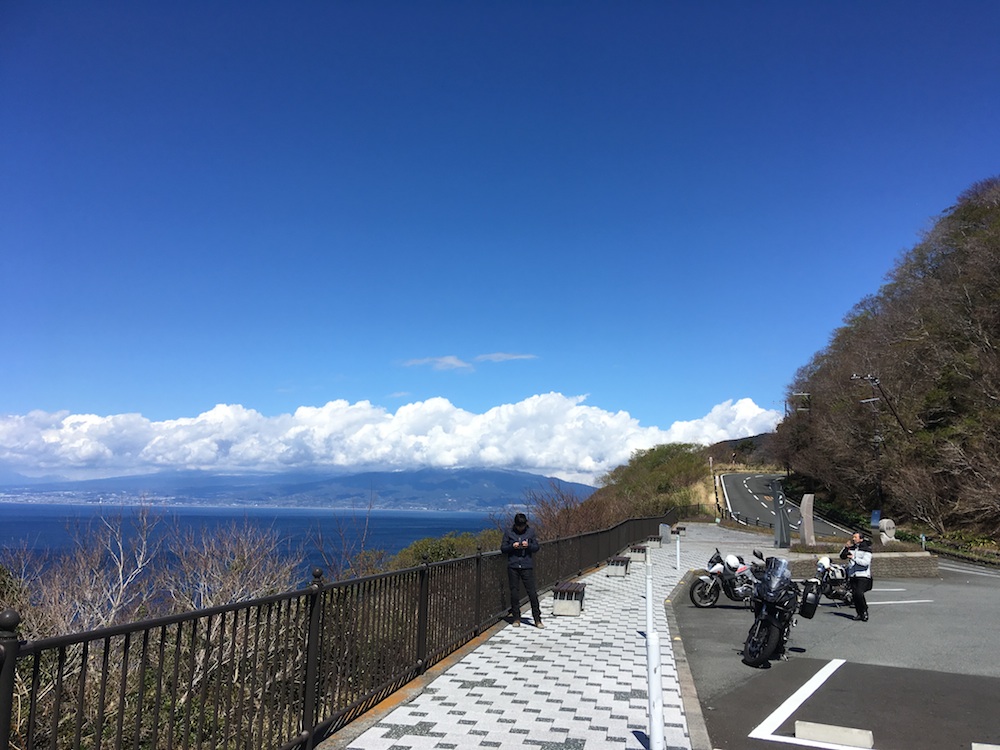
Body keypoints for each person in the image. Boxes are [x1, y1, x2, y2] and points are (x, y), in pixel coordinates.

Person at [501, 512, 543, 628]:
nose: (521, 528)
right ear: (515, 525)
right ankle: (516, 618)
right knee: (514, 593)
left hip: (526, 565)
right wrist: (512, 546)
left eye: (523, 526)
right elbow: (503, 548)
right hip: (513, 566)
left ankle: (537, 619)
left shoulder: (530, 532)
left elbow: (536, 547)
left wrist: (528, 546)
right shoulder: (509, 532)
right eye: (519, 526)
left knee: (532, 593)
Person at [840, 532, 873, 621]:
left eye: (855, 537)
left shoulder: (866, 549)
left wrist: (854, 558)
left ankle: (864, 610)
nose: (853, 539)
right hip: (852, 575)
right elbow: (842, 556)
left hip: (863, 575)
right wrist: (846, 548)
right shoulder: (852, 548)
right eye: (853, 537)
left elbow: (865, 563)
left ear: (861, 539)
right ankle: (859, 613)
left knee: (859, 593)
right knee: (854, 595)